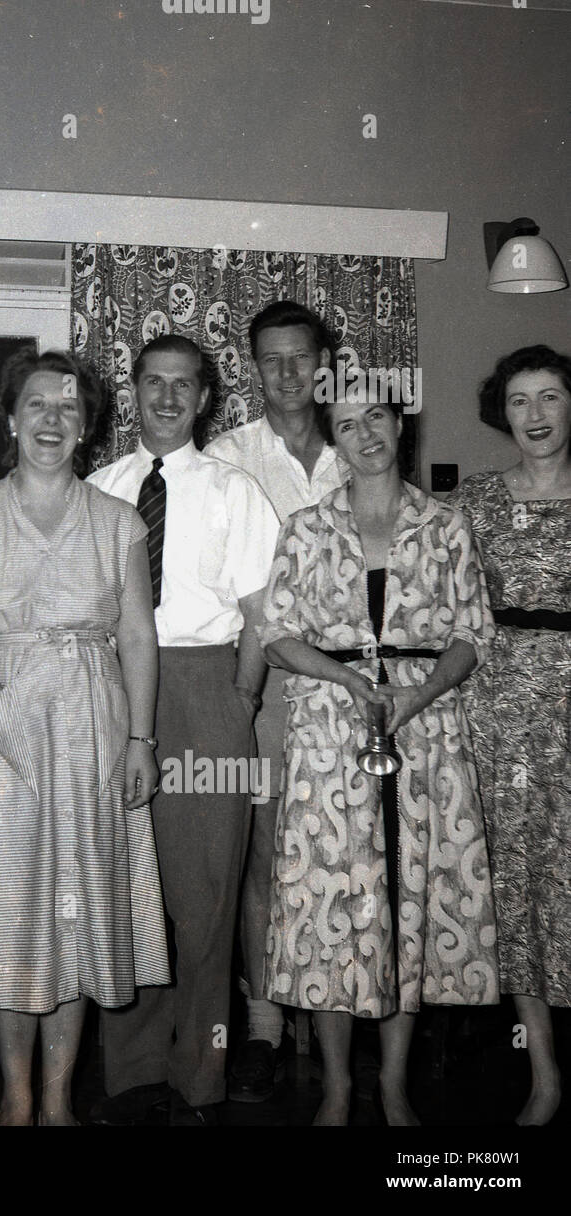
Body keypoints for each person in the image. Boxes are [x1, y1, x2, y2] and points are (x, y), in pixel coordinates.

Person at [0, 347, 168, 1126]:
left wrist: (140, 742)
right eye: (37, 405)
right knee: (8, 912)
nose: (52, 421)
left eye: (69, 408)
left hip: (93, 723)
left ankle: (58, 1098)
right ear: (11, 416)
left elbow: (136, 636)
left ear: (87, 426)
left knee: (77, 913)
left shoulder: (119, 521)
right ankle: (16, 1097)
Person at [258, 387, 499, 1126]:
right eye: (346, 424)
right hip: (331, 739)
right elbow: (277, 631)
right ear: (333, 438)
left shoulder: (446, 525)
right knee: (334, 904)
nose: (364, 434)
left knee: (410, 903)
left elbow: (471, 635)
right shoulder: (305, 527)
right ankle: (335, 1085)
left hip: (425, 738)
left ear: (401, 425)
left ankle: (392, 1082)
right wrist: (344, 677)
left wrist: (414, 697)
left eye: (376, 418)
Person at [88, 334, 279, 1126]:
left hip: (206, 691)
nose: (168, 397)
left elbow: (263, 615)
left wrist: (238, 699)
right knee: (125, 889)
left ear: (205, 399)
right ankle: (130, 1074)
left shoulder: (236, 490)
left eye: (185, 386)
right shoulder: (98, 487)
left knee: (206, 899)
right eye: (154, 382)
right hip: (114, 694)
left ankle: (200, 1076)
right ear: (134, 391)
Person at [204, 300, 346, 1101]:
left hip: (351, 682)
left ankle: (334, 1016)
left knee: (339, 853)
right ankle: (262, 1023)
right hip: (263, 682)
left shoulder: (359, 446)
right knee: (262, 852)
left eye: (302, 358)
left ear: (324, 364)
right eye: (272, 360)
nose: (288, 374)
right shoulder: (228, 457)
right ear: (253, 368)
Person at [452, 345, 571, 1126]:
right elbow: (447, 610)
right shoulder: (474, 501)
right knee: (518, 882)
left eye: (551, 398)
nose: (534, 415)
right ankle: (545, 1071)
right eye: (520, 400)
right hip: (498, 712)